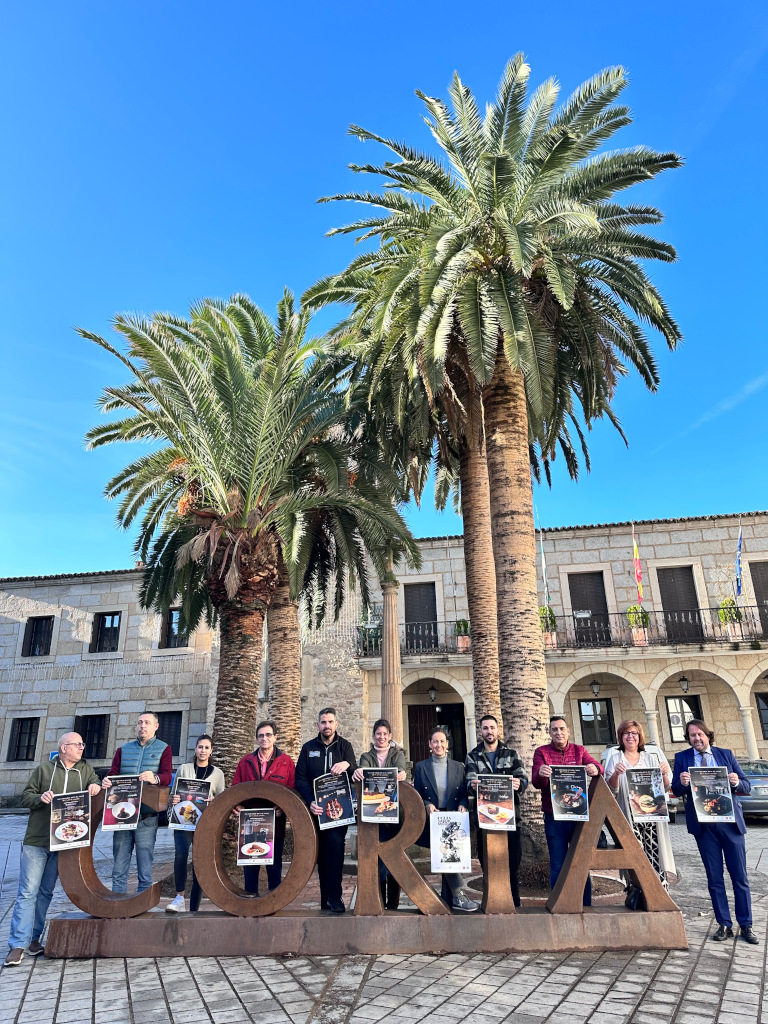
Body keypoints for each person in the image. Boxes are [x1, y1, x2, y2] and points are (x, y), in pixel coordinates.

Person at [4, 733, 102, 967]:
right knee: (27, 891)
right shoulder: (44, 770)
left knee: (46, 892)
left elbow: (95, 782)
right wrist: (41, 797)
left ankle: (34, 939)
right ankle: (17, 944)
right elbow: (26, 797)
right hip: (37, 840)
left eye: (82, 743)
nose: (81, 748)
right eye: (77, 744)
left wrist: (96, 786)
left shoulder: (85, 770)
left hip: (64, 843)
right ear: (63, 748)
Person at [671, 718, 758, 944]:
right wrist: (681, 782)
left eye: (700, 734)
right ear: (688, 739)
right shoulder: (682, 758)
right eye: (692, 735)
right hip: (704, 827)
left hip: (730, 825)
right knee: (714, 878)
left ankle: (746, 925)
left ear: (708, 735)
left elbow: (747, 786)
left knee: (740, 877)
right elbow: (675, 789)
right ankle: (724, 924)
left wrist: (737, 781)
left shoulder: (725, 755)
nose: (697, 738)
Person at [532, 715, 603, 906]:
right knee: (557, 864)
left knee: (581, 862)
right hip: (554, 816)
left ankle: (585, 904)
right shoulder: (541, 752)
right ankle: (558, 904)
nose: (558, 732)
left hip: (579, 816)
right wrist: (541, 774)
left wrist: (594, 768)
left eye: (562, 729)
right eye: (554, 729)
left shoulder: (579, 751)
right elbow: (536, 782)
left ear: (568, 731)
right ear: (549, 732)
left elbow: (598, 767)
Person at [604, 720, 675, 901]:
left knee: (654, 853)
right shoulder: (615, 758)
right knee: (636, 853)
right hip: (628, 815)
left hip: (651, 815)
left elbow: (665, 787)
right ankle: (638, 892)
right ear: (621, 737)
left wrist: (665, 774)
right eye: (626, 733)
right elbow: (612, 790)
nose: (630, 737)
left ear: (639, 736)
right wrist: (615, 774)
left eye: (634, 733)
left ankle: (658, 894)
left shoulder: (650, 757)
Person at [102, 711, 172, 894]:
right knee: (118, 866)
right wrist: (107, 780)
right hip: (121, 816)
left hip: (146, 817)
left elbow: (166, 775)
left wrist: (155, 778)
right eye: (140, 722)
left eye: (147, 722)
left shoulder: (164, 749)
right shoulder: (123, 750)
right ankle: (117, 904)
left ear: (155, 726)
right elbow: (113, 773)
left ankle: (143, 905)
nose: (142, 726)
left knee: (145, 867)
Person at [295, 707, 357, 913]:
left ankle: (336, 897)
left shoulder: (345, 746)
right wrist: (310, 800)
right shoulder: (308, 748)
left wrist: (347, 764)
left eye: (330, 722)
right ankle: (325, 899)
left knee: (336, 853)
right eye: (323, 722)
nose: (327, 726)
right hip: (317, 811)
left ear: (336, 724)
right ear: (318, 725)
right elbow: (300, 779)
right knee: (321, 857)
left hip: (338, 813)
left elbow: (355, 772)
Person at [412, 727, 479, 912]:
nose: (438, 745)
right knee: (446, 856)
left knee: (448, 857)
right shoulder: (420, 767)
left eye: (442, 741)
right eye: (435, 741)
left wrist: (463, 804)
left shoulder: (459, 766)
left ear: (447, 744)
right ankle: (458, 895)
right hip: (433, 819)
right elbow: (417, 793)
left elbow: (464, 793)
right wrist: (426, 804)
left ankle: (449, 900)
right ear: (429, 745)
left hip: (453, 818)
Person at [464, 714, 528, 907]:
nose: (489, 731)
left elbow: (523, 779)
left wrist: (519, 784)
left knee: (512, 862)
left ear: (497, 729)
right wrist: (472, 785)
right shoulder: (472, 756)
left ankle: (514, 902)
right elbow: (468, 781)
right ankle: (491, 902)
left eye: (492, 727)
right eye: (485, 728)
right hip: (485, 820)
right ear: (480, 731)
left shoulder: (511, 754)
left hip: (510, 819)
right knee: (487, 863)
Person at [231, 720, 295, 894]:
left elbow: (292, 792)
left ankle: (274, 903)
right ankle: (251, 902)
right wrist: (237, 806)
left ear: (275, 737)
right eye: (261, 735)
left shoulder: (286, 762)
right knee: (250, 866)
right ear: (256, 739)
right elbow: (235, 789)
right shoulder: (245, 762)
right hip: (250, 824)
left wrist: (283, 808)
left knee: (274, 867)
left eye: (268, 735)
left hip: (275, 824)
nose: (264, 738)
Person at [165, 734, 226, 913]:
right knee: (181, 855)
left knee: (199, 862)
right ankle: (179, 897)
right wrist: (173, 799)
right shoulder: (183, 769)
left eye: (207, 748)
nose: (203, 751)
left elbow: (222, 799)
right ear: (195, 749)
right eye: (200, 747)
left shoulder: (218, 774)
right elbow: (173, 795)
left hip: (204, 823)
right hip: (183, 821)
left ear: (211, 751)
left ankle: (194, 907)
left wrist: (213, 800)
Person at [352, 718, 407, 909]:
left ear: (390, 736)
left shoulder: (398, 754)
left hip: (394, 814)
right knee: (379, 862)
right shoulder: (366, 756)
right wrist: (359, 772)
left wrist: (402, 774)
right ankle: (380, 902)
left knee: (394, 858)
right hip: (373, 815)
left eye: (385, 734)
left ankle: (393, 903)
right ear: (373, 736)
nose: (381, 737)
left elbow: (401, 769)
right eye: (378, 733)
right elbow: (365, 773)